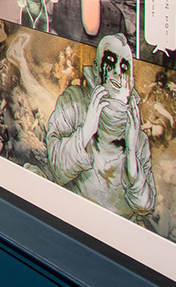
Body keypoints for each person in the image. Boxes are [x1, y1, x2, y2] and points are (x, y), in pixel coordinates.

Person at [46, 34, 156, 219]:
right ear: (97, 67)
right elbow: (57, 169)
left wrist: (131, 152)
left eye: (124, 67)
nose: (118, 72)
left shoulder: (138, 136)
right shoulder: (74, 102)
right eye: (110, 62)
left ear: (132, 81)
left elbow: (144, 206)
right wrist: (87, 130)